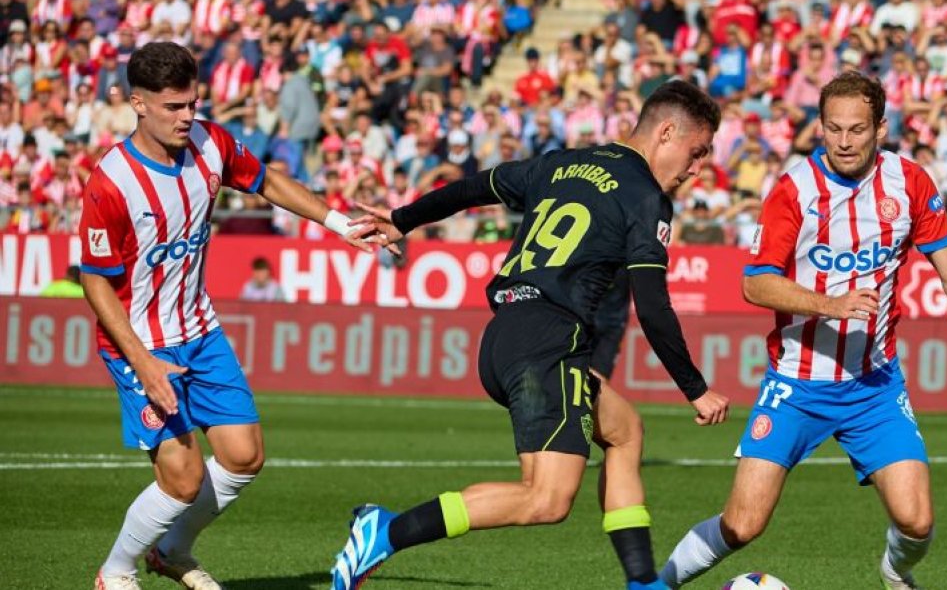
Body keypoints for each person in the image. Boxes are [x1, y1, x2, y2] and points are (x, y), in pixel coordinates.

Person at [331, 79, 732, 590]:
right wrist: (695, 389)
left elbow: (477, 186)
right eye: (696, 153)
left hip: (508, 334)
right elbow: (652, 305)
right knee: (545, 499)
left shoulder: (560, 163)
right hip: (549, 341)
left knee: (625, 431)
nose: (697, 168)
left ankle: (642, 581)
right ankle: (385, 530)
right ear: (667, 132)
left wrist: (404, 219)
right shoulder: (645, 197)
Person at [659, 72, 947, 589]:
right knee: (743, 523)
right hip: (796, 383)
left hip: (874, 386)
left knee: (917, 521)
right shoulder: (794, 190)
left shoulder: (910, 184)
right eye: (833, 129)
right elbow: (755, 285)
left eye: (857, 130)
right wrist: (830, 304)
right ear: (820, 127)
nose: (844, 141)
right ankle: (654, 586)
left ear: (881, 128)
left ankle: (895, 569)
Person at [82, 42, 364, 590]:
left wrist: (337, 221)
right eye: (173, 107)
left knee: (244, 455)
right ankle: (115, 571)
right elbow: (95, 279)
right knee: (183, 479)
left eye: (192, 102)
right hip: (141, 342)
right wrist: (143, 364)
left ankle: (172, 551)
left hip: (200, 330)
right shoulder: (111, 181)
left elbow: (269, 181)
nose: (188, 116)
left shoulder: (211, 143)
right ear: (138, 104)